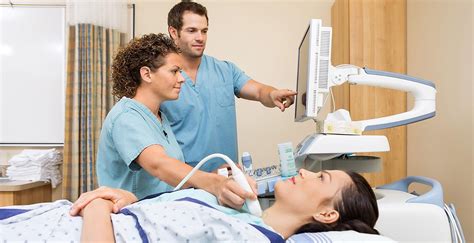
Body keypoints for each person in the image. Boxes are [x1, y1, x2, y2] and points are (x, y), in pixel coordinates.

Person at [94, 33, 256, 210]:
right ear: (147, 74)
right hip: (136, 216)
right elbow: (159, 165)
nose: (181, 78)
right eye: (174, 71)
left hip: (164, 211)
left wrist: (211, 175)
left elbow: (169, 182)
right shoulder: (126, 117)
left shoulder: (160, 118)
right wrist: (213, 183)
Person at [0, 169, 381, 242]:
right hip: (60, 217)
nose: (305, 171)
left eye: (322, 179)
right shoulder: (239, 217)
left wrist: (100, 206)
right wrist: (127, 198)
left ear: (327, 214)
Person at [161, 1, 298, 172]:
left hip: (229, 178)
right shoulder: (161, 77)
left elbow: (259, 91)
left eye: (204, 31)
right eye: (192, 31)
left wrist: (272, 94)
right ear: (173, 32)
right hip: (185, 185)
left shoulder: (225, 70)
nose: (200, 38)